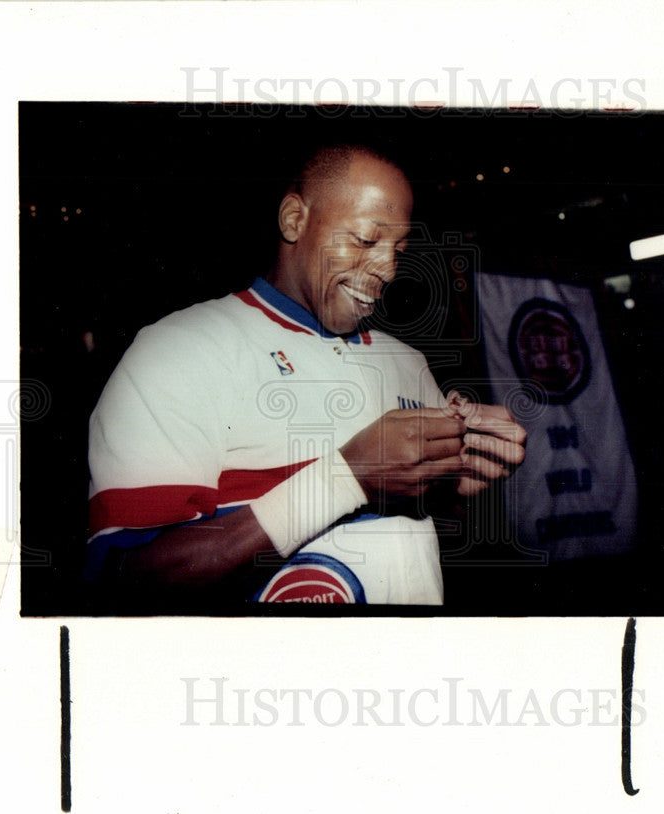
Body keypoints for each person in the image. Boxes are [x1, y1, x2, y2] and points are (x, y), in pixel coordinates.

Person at [86, 144, 526, 607]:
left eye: (398, 249)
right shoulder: (179, 351)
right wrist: (347, 477)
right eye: (365, 240)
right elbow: (126, 583)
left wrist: (461, 477)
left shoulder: (408, 361)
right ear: (295, 219)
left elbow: (423, 522)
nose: (388, 269)